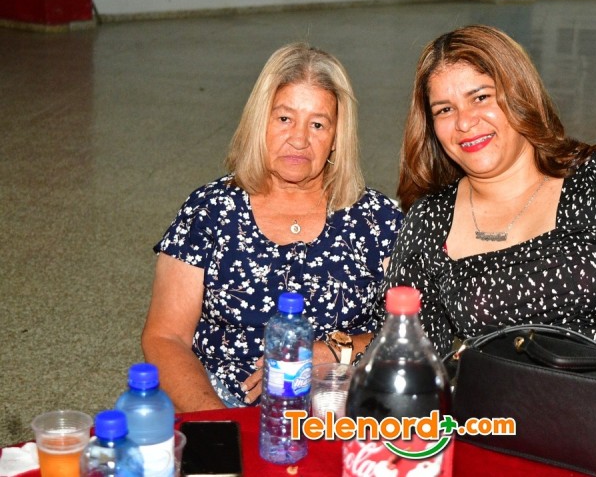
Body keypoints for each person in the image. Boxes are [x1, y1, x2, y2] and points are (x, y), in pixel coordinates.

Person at [382, 25, 596, 384]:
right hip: (502, 412)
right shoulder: (431, 219)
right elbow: (412, 359)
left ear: (519, 93)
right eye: (445, 109)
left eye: (480, 97)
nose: (465, 122)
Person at [141, 43, 404, 411]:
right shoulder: (210, 210)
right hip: (222, 404)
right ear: (259, 121)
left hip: (341, 407)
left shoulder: (377, 219)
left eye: (317, 124)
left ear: (336, 138)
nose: (299, 139)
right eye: (284, 119)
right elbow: (165, 338)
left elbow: (416, 333)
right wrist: (222, 427)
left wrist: (334, 351)